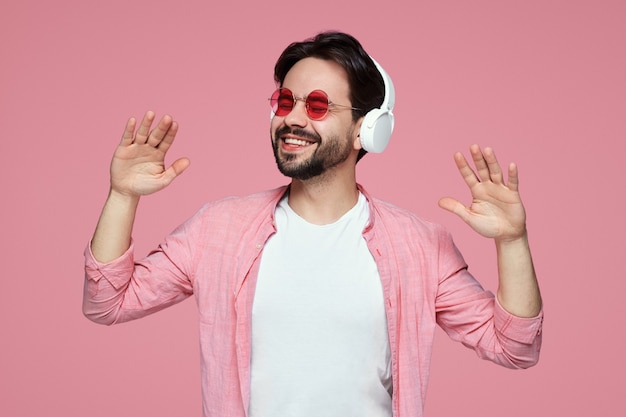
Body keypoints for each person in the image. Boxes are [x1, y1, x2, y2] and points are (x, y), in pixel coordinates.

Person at [83, 31, 543, 417]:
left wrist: (513, 242)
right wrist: (122, 196)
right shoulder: (218, 229)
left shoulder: (419, 246)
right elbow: (107, 302)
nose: (293, 118)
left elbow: (515, 348)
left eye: (318, 106)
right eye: (285, 101)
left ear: (368, 129)